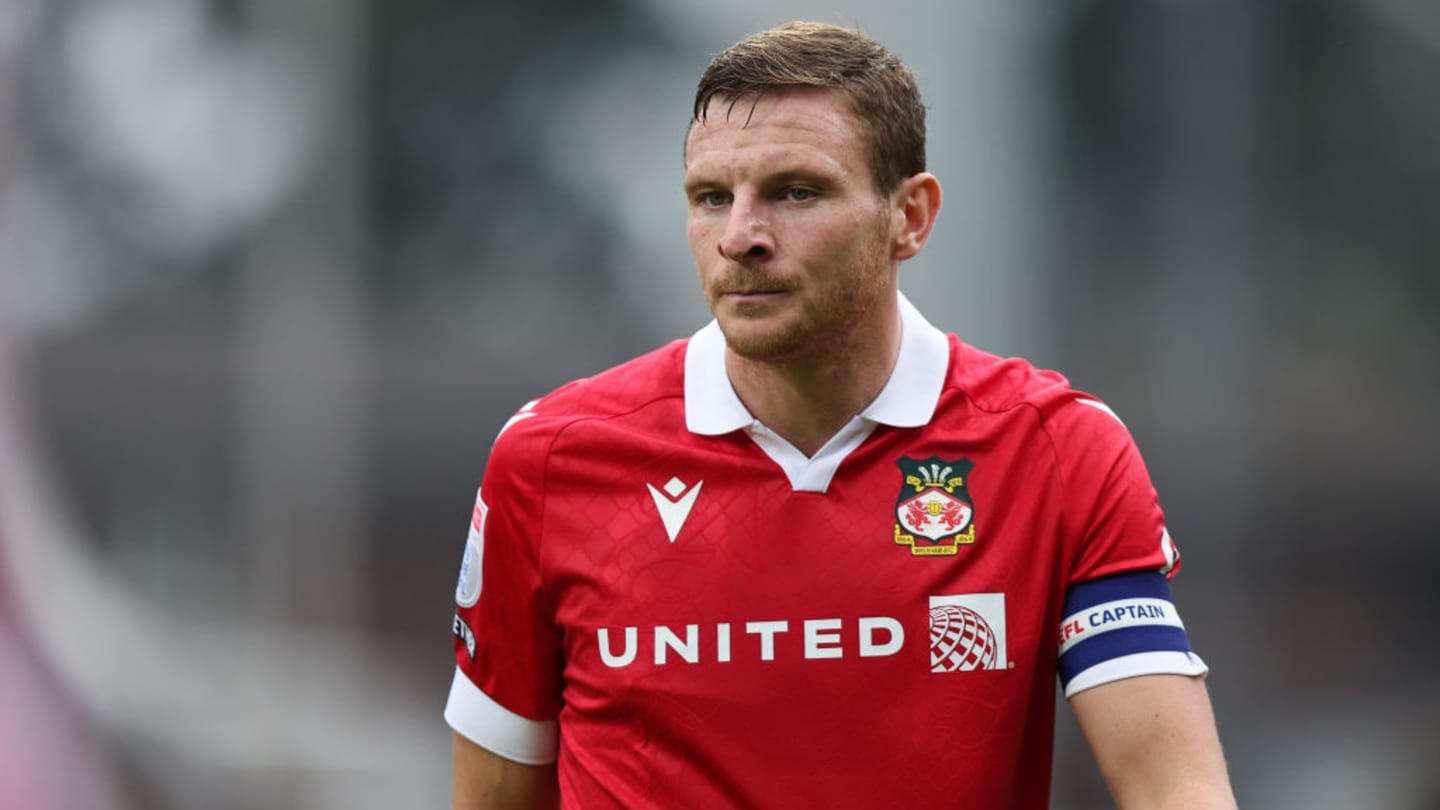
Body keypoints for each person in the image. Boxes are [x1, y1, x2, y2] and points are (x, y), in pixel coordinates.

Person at [445, 20, 1237, 810]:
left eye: (796, 192)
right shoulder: (553, 461)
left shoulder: (1056, 450)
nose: (740, 237)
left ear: (910, 218)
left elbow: (1176, 788)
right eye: (711, 197)